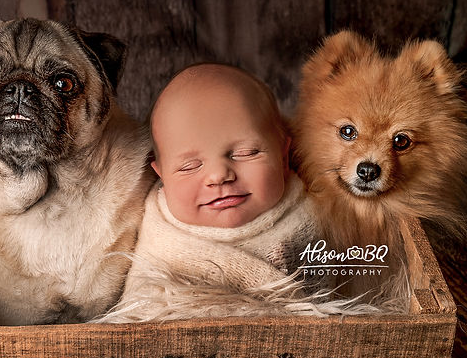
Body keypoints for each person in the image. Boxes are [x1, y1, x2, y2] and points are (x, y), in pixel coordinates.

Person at [108, 63, 320, 320]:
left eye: (246, 153)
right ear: (162, 177)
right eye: (189, 166)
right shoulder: (158, 242)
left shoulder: (318, 216)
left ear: (283, 157)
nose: (219, 175)